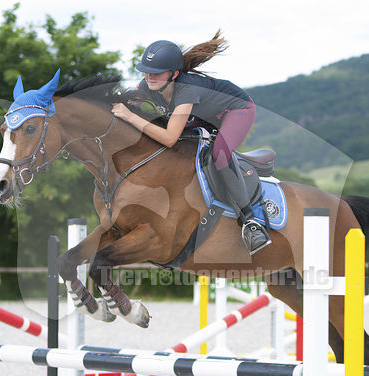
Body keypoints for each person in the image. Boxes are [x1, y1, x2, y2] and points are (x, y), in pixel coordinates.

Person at [111, 31, 271, 255]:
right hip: (205, 115)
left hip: (236, 110)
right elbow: (128, 102)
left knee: (219, 154)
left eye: (156, 73)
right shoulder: (146, 86)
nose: (149, 77)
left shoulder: (187, 90)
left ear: (174, 74)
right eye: (146, 72)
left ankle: (250, 222)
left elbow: (168, 138)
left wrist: (130, 117)